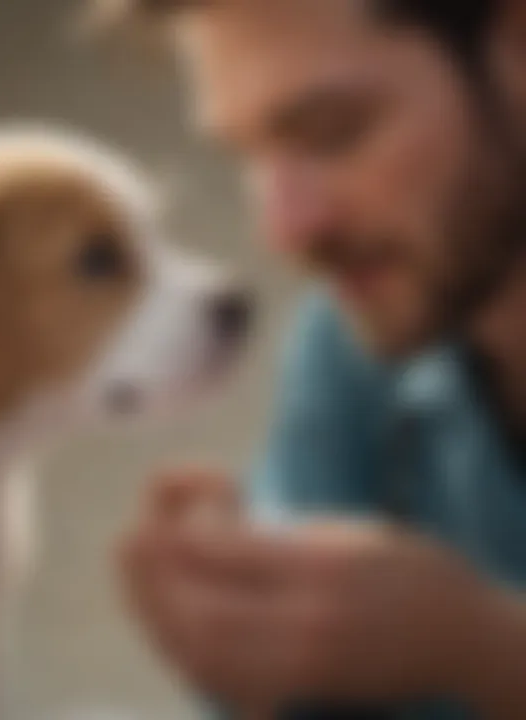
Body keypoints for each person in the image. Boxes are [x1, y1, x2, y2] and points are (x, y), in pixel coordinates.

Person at [114, 1, 526, 718]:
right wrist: (249, 636)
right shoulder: (360, 339)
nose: (283, 227)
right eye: (250, 157)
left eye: (335, 134)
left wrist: (484, 647)